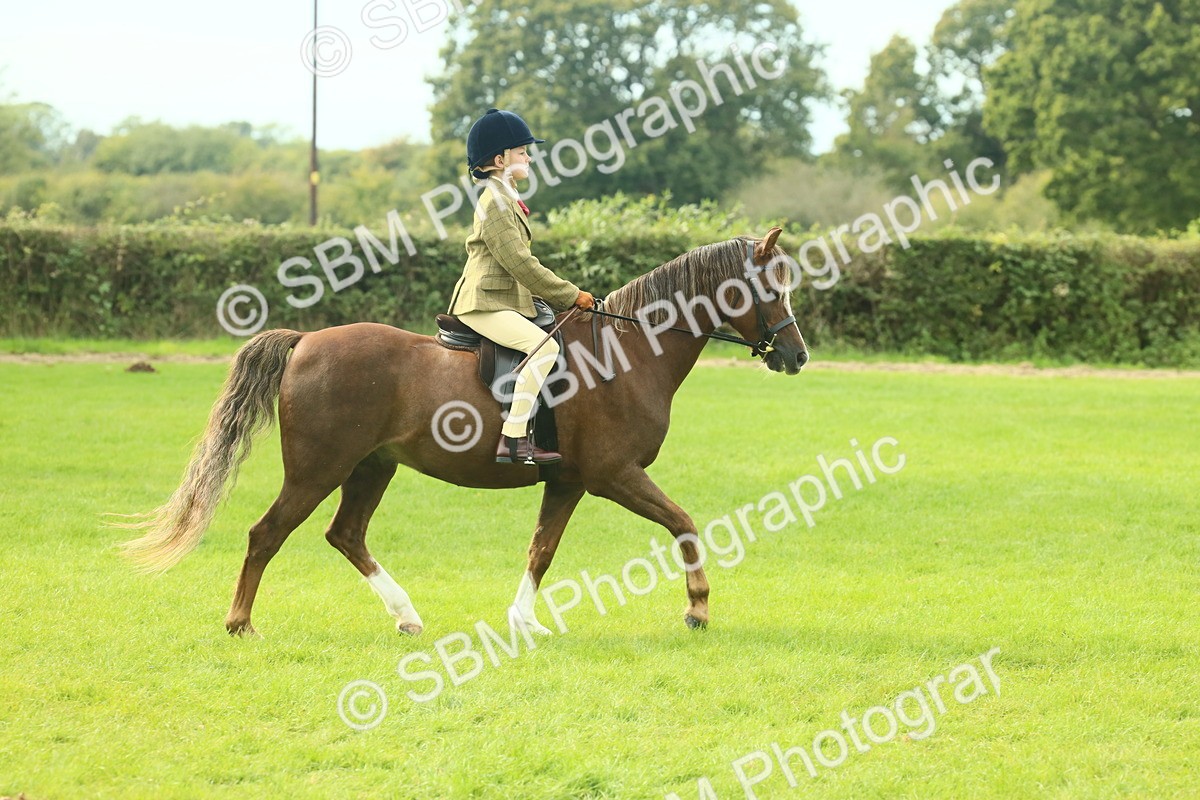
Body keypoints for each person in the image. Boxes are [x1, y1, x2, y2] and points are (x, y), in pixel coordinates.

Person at [446, 108, 595, 465]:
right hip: (484, 303)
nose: (529, 158)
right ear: (499, 160)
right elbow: (520, 263)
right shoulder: (495, 203)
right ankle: (513, 439)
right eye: (522, 152)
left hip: (504, 300)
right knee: (543, 349)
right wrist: (571, 295)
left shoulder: (505, 197)